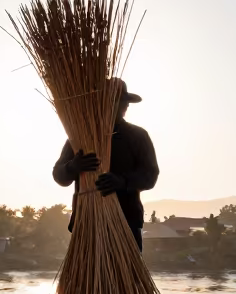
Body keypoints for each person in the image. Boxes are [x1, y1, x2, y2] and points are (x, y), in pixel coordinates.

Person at [52, 79, 159, 250]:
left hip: (126, 220)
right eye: (117, 102)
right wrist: (73, 166)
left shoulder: (138, 136)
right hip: (87, 222)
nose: (124, 107)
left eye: (124, 102)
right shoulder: (79, 137)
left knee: (126, 275)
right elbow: (59, 176)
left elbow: (150, 176)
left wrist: (122, 182)